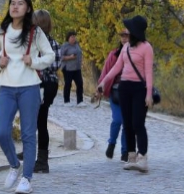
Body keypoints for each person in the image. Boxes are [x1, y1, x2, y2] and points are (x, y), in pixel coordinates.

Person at [0, 0, 55, 194]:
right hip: (7, 87)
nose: (15, 6)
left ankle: (26, 178)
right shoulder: (2, 31)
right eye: (12, 3)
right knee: (1, 131)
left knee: (28, 134)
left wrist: (34, 62)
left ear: (28, 8)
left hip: (30, 87)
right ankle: (14, 164)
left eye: (20, 3)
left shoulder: (35, 32)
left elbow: (50, 55)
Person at [97, 15, 154, 173]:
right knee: (127, 124)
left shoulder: (146, 47)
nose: (127, 32)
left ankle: (142, 157)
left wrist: (148, 93)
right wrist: (104, 82)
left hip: (139, 89)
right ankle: (131, 157)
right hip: (124, 87)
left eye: (129, 29)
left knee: (138, 123)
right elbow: (116, 68)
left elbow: (149, 73)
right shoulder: (126, 47)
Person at [17, 9, 61, 173]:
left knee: (39, 120)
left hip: (43, 84)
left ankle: (42, 160)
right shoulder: (48, 43)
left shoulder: (43, 44)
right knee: (33, 119)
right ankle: (31, 152)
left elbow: (53, 66)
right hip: (40, 83)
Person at [97, 28, 129, 162]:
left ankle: (125, 151)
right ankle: (111, 143)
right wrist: (100, 87)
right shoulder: (114, 55)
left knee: (127, 123)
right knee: (117, 120)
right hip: (115, 92)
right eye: (122, 36)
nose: (124, 38)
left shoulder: (135, 55)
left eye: (127, 36)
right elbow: (106, 72)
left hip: (129, 92)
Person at [60, 31, 84, 106]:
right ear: (68, 38)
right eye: (72, 37)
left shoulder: (77, 45)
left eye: (74, 36)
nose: (74, 38)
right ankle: (66, 101)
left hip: (77, 68)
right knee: (68, 84)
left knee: (80, 83)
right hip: (68, 68)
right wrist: (70, 57)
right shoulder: (65, 46)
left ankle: (80, 101)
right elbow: (60, 57)